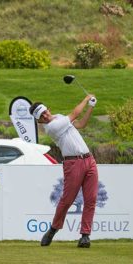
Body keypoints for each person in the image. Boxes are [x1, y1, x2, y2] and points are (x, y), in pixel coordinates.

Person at [29, 94, 98, 248]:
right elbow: (75, 114)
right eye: (41, 116)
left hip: (89, 160)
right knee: (67, 200)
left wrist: (91, 107)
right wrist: (86, 99)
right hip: (72, 163)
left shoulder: (59, 117)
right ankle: (53, 230)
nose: (45, 116)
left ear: (48, 109)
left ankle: (85, 236)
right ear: (39, 121)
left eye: (45, 112)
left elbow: (80, 124)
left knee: (91, 199)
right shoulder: (51, 128)